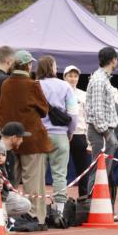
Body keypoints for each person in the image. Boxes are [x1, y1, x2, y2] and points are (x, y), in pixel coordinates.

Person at [0, 49, 53, 225]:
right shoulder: (31, 84)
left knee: (11, 180)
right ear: (28, 65)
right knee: (33, 181)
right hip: (32, 138)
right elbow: (44, 109)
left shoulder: (6, 83)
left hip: (10, 138)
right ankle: (35, 216)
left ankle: (12, 215)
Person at [37, 54, 77, 223]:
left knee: (37, 174)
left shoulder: (35, 85)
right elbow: (73, 114)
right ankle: (59, 210)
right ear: (53, 68)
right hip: (60, 134)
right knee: (60, 174)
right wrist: (70, 132)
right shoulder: (65, 86)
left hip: (39, 134)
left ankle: (37, 211)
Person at [85, 46, 118, 216]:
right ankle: (93, 207)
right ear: (113, 60)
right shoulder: (99, 80)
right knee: (99, 170)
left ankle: (98, 206)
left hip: (102, 131)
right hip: (101, 132)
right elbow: (98, 111)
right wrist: (107, 133)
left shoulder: (102, 79)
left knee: (102, 171)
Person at [63, 65, 90, 200]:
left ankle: (83, 199)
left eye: (75, 76)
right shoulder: (60, 92)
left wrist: (89, 140)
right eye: (70, 76)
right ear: (64, 77)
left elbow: (88, 117)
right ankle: (61, 200)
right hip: (63, 135)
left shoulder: (84, 95)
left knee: (83, 170)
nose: (73, 79)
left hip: (80, 135)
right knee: (62, 171)